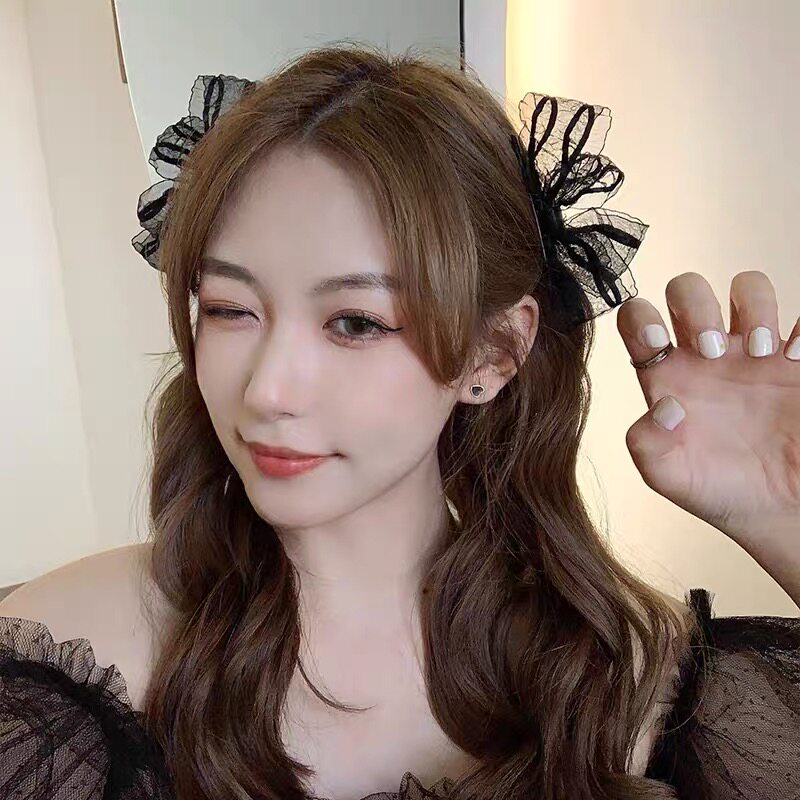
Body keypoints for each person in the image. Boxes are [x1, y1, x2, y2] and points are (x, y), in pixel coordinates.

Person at [1, 43, 798, 800]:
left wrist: (782, 516)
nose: (268, 389)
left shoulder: (645, 684)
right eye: (230, 308)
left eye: (355, 322)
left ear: (494, 351)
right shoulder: (72, 650)